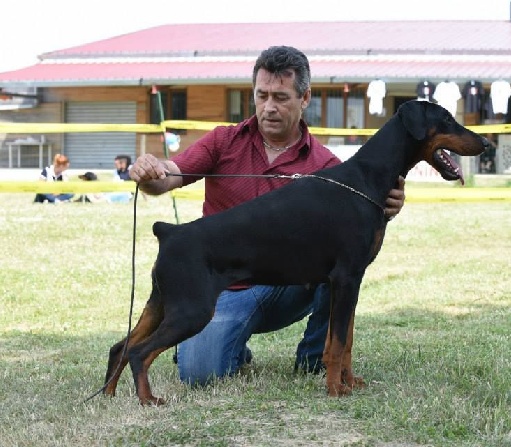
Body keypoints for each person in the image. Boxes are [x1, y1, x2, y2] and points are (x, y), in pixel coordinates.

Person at [129, 45, 406, 385]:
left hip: (287, 288)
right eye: (262, 96)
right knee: (200, 373)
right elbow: (170, 175)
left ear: (305, 98)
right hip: (222, 285)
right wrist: (150, 173)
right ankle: (219, 340)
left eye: (281, 97)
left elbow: (355, 238)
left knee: (339, 266)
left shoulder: (326, 165)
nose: (269, 107)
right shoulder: (223, 141)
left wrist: (385, 208)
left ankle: (314, 359)